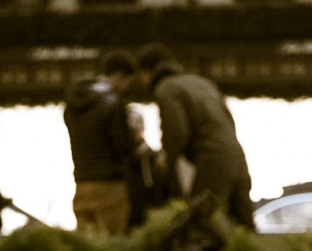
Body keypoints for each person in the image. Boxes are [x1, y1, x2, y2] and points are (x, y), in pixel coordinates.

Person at [136, 43, 255, 230]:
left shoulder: (166, 88)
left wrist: (167, 158)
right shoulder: (202, 82)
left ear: (146, 71)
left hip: (212, 160)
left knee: (198, 223)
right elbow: (228, 118)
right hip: (237, 156)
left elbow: (177, 131)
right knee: (243, 223)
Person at [63, 50, 136, 235]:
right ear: (119, 75)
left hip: (81, 184)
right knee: (112, 243)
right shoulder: (112, 102)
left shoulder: (72, 104)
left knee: (88, 245)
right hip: (110, 185)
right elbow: (121, 146)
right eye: (128, 81)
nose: (126, 88)